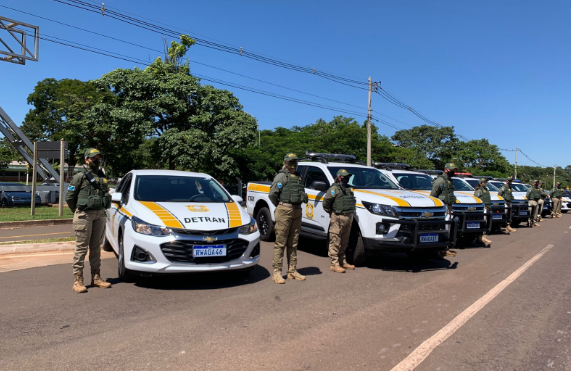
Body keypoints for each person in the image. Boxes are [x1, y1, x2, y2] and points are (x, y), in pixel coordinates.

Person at [65, 148, 112, 293]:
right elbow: (69, 197)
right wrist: (77, 212)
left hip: (100, 214)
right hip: (84, 214)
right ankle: (78, 280)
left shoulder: (102, 175)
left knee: (96, 247)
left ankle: (96, 277)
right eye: (93, 158)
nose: (96, 160)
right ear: (86, 159)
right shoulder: (80, 176)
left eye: (98, 158)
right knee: (81, 248)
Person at [268, 153, 308, 284]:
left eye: (295, 162)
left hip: (297, 211)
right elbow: (273, 194)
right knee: (280, 242)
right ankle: (277, 272)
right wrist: (281, 206)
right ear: (285, 163)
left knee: (294, 243)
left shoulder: (298, 177)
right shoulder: (281, 176)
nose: (293, 164)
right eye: (290, 162)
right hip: (284, 210)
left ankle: (292, 271)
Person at [323, 169, 357, 273]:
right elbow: (326, 202)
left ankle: (343, 261)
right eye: (344, 177)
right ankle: (334, 264)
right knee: (335, 241)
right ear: (339, 177)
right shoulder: (334, 189)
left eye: (347, 176)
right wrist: (331, 213)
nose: (346, 178)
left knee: (344, 241)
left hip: (348, 217)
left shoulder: (349, 189)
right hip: (338, 217)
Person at [430, 163, 457, 257]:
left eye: (454, 169)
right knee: (444, 227)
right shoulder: (440, 180)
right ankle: (441, 249)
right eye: (451, 170)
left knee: (448, 227)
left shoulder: (448, 180)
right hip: (442, 206)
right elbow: (433, 195)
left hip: (448, 206)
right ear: (446, 169)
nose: (453, 171)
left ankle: (445, 247)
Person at [473, 179, 493, 247]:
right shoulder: (479, 190)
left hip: (487, 208)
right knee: (483, 223)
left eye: (486, 182)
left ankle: (482, 237)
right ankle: (481, 238)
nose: (485, 183)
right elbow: (476, 199)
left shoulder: (486, 190)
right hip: (482, 209)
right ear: (480, 183)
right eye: (484, 182)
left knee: (486, 223)